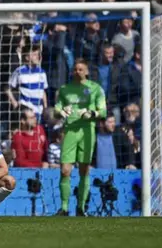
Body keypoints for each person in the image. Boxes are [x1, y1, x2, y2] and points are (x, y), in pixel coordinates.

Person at [54, 59, 107, 217]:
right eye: (75, 69)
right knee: (65, 170)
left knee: (84, 170)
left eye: (81, 69)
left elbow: (103, 111)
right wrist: (62, 111)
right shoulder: (64, 89)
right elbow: (56, 108)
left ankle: (81, 208)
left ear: (87, 71)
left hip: (87, 132)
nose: (78, 72)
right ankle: (64, 208)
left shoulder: (95, 89)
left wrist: (92, 113)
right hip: (70, 131)